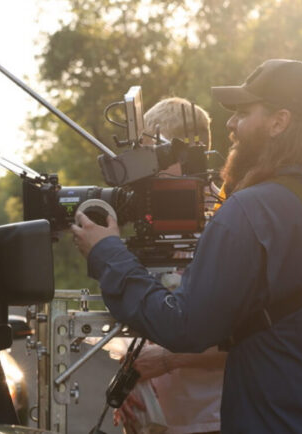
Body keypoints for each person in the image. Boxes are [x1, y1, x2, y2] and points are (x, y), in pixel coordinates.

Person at [72, 59, 302, 432]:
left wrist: (108, 253)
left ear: (278, 122)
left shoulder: (248, 211)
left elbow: (185, 327)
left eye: (243, 113)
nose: (231, 125)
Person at [119, 97, 225, 434]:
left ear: (180, 153)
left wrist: (165, 361)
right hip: (161, 420)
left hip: (212, 420)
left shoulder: (227, 219)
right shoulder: (157, 218)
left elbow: (247, 340)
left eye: (151, 156)